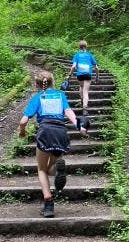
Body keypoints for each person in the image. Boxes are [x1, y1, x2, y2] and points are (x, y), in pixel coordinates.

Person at [17, 71, 87, 218]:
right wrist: (79, 127)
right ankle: (57, 168)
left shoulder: (38, 97)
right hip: (61, 132)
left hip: (45, 132)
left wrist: (22, 132)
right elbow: (69, 112)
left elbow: (23, 121)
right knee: (52, 166)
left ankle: (48, 204)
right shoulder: (61, 95)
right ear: (52, 82)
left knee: (41, 169)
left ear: (37, 85)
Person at [67, 40, 99, 115]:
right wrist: (97, 76)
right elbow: (96, 68)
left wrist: (69, 75)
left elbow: (73, 67)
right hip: (88, 74)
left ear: (79, 47)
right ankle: (85, 108)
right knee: (85, 91)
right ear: (86, 46)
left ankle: (82, 100)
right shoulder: (89, 55)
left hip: (79, 75)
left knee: (81, 86)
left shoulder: (77, 55)